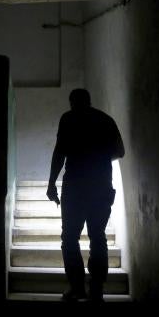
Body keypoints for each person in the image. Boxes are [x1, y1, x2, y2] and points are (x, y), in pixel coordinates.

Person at [46, 88, 125, 302]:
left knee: (70, 237)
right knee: (98, 236)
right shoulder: (105, 120)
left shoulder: (69, 118)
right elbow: (120, 151)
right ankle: (97, 289)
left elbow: (60, 152)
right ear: (89, 101)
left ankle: (77, 287)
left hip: (75, 186)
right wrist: (97, 155)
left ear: (72, 102)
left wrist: (52, 182)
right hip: (100, 185)